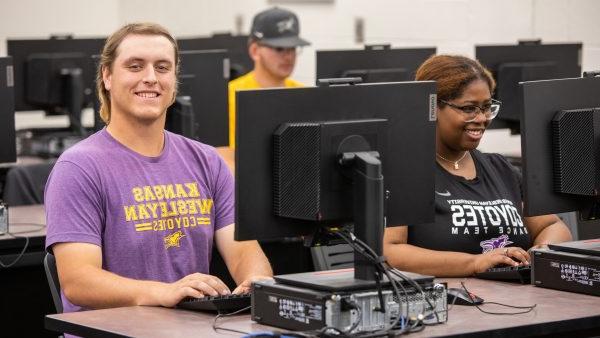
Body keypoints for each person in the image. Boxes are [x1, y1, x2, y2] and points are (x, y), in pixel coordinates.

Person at [44, 23, 273, 313]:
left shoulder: (207, 160)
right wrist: (163, 292)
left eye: (163, 68)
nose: (150, 78)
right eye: (135, 66)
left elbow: (243, 251)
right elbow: (79, 281)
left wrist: (256, 280)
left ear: (174, 81)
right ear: (107, 76)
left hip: (189, 328)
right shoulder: (78, 168)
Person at [383, 55, 572, 277]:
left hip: (517, 297)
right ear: (432, 107)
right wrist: (474, 263)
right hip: (450, 304)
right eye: (469, 108)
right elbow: (391, 251)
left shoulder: (500, 168)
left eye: (487, 107)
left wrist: (538, 255)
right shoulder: (406, 172)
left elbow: (552, 227)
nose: (482, 118)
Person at [228, 7, 310, 148]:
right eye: (279, 48)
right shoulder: (230, 96)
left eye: (293, 48)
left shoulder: (305, 95)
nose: (289, 56)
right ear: (255, 51)